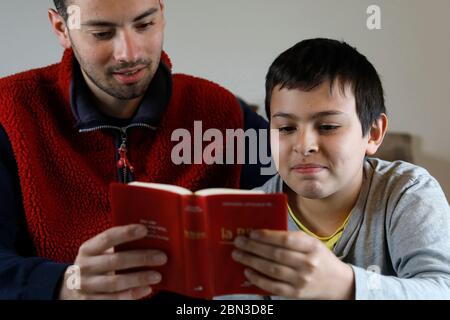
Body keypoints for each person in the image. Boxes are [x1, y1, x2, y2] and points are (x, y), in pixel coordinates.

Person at [0, 0, 271, 300]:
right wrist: (62, 284)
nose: (130, 53)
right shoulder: (9, 111)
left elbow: (314, 213)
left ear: (162, 14)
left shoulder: (223, 112)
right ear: (61, 28)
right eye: (102, 33)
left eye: (144, 25)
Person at [226, 38, 450, 299]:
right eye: (286, 128)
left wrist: (345, 284)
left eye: (328, 127)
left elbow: (442, 288)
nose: (304, 145)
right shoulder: (247, 213)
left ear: (374, 133)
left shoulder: (407, 192)